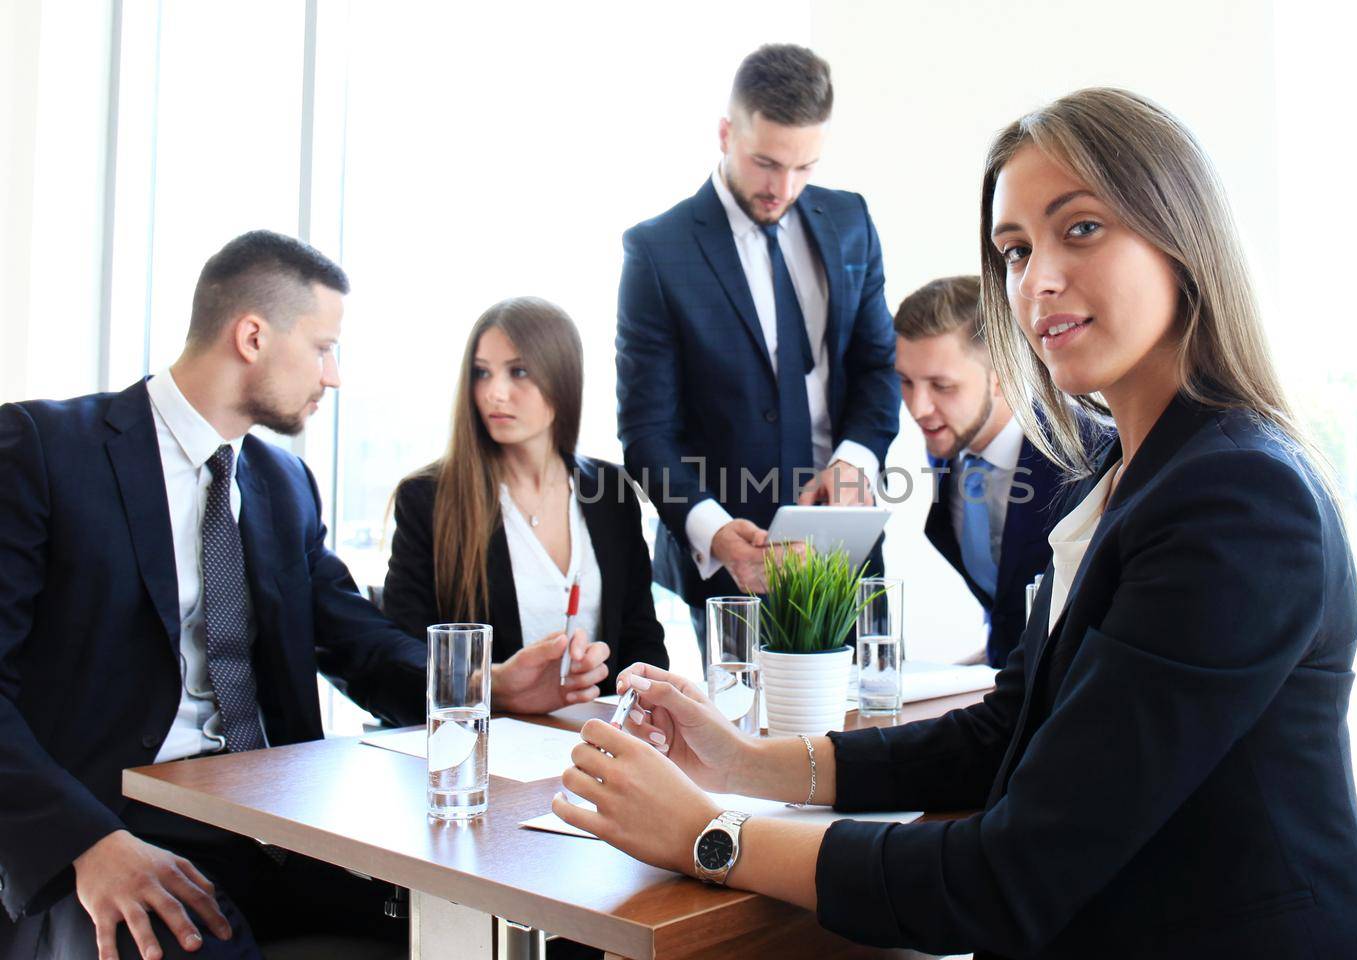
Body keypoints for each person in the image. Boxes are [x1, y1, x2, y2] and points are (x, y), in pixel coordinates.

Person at [553, 89, 1357, 959]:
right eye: (1014, 249)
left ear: (1182, 238)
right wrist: (743, 761)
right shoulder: (1133, 474)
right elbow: (1009, 730)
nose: (1036, 281)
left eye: (1080, 229)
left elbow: (1012, 874)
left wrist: (714, 833)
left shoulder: (1238, 504)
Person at [0, 231, 554, 960]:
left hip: (269, 825)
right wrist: (89, 843)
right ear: (253, 336)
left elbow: (351, 636)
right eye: (323, 347)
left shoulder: (283, 484)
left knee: (494, 924)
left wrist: (483, 684)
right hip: (114, 826)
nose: (334, 375)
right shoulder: (43, 448)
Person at [615, 43, 899, 646]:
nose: (783, 188)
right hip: (731, 559)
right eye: (766, 163)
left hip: (845, 546)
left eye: (804, 168)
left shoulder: (851, 221)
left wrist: (855, 460)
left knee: (865, 732)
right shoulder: (658, 252)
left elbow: (877, 368)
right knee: (742, 735)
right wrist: (712, 530)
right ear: (725, 133)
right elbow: (646, 433)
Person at [383, 297, 669, 701]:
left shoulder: (612, 491)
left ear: (562, 378)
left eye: (518, 372)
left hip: (598, 740)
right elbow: (402, 655)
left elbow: (644, 640)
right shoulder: (428, 498)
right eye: (482, 373)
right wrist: (492, 684)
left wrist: (620, 684)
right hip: (489, 743)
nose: (494, 394)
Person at [893, 275, 1080, 667]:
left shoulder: (1088, 457)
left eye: (942, 386)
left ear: (1004, 377)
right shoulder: (949, 449)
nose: (918, 408)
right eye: (906, 382)